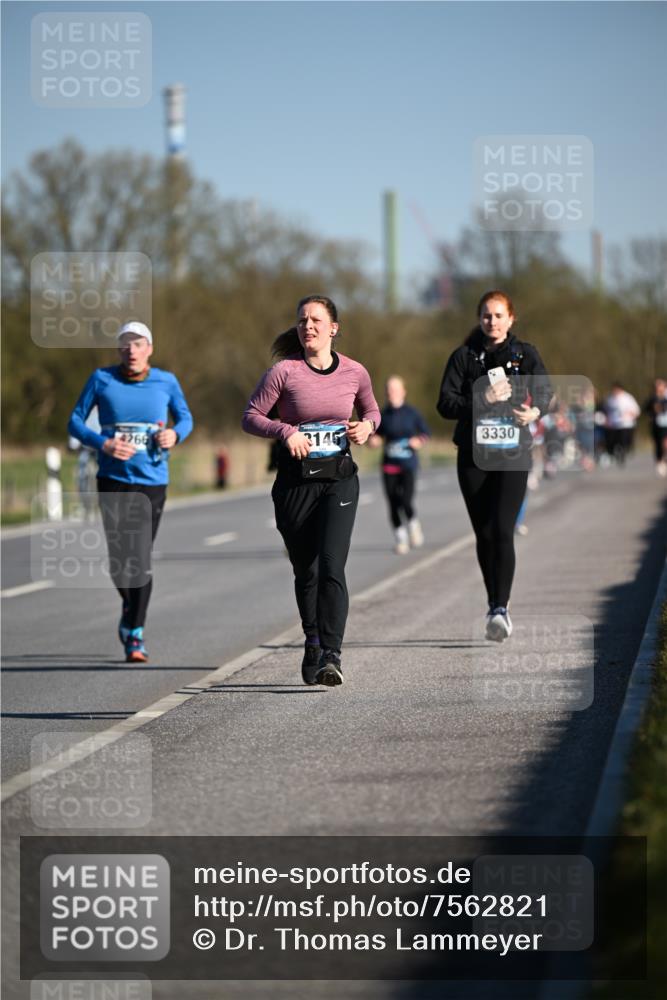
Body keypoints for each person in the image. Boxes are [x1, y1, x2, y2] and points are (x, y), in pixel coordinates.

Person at [242, 295, 380, 686]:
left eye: (317, 320)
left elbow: (372, 411)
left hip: (339, 480)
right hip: (294, 484)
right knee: (307, 570)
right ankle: (313, 640)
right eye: (302, 320)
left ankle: (332, 655)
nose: (309, 327)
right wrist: (285, 431)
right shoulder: (283, 373)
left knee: (332, 566)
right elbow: (250, 417)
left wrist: (367, 427)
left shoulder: (355, 372)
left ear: (333, 328)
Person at [67, 321, 193, 663]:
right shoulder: (101, 379)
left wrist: (174, 435)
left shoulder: (166, 381)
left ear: (149, 348)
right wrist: (104, 443)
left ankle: (135, 633)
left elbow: (185, 419)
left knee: (138, 559)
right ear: (118, 349)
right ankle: (129, 607)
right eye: (125, 345)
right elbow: (75, 422)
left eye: (138, 344)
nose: (131, 351)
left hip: (151, 481)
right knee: (119, 562)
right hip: (112, 480)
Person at [436, 291, 552, 642]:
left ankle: (501, 607)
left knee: (503, 529)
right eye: (486, 315)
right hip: (473, 456)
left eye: (499, 315)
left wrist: (535, 411)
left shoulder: (525, 354)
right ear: (479, 318)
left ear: (511, 318)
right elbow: (445, 404)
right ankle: (493, 602)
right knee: (484, 533)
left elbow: (546, 393)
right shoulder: (465, 357)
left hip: (512, 453)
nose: (492, 321)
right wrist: (481, 397)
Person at [368, 376, 430, 554]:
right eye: (388, 390)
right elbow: (375, 436)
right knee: (393, 503)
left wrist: (419, 440)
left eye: (395, 389)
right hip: (389, 466)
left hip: (408, 465)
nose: (391, 393)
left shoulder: (412, 413)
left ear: (403, 392)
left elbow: (425, 432)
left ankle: (413, 524)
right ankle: (401, 539)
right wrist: (374, 441)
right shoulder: (383, 414)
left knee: (406, 500)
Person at [602, 382, 640, 465]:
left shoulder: (628, 398)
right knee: (613, 442)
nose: (615, 391)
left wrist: (631, 415)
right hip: (613, 425)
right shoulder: (609, 399)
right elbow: (605, 411)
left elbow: (636, 410)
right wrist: (606, 420)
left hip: (626, 424)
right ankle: (615, 453)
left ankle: (623, 453)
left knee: (624, 441)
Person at [644, 377, 667, 477]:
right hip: (657, 425)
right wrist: (651, 414)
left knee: (665, 443)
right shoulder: (652, 399)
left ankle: (664, 460)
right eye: (656, 386)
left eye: (660, 385)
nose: (658, 387)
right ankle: (659, 461)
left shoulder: (665, 398)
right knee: (658, 444)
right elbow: (645, 409)